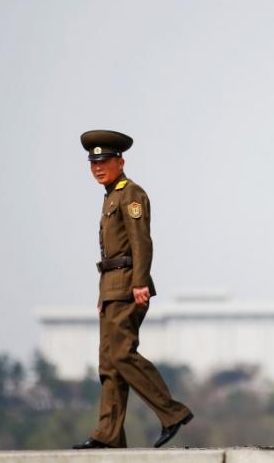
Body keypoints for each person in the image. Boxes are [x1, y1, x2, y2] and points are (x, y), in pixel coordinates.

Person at [73, 130, 193, 449]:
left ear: (120, 161)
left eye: (104, 161)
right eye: (93, 163)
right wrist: (102, 294)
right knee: (108, 363)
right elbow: (109, 253)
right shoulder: (111, 195)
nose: (98, 168)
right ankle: (108, 435)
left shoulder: (131, 194)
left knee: (122, 354)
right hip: (112, 287)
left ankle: (172, 412)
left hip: (129, 285)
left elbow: (141, 242)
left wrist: (140, 281)